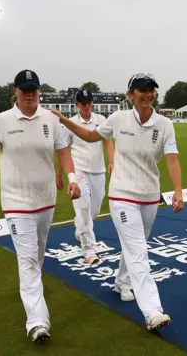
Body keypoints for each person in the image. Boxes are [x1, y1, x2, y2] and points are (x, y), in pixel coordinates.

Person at [50, 73, 184, 331]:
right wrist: (65, 121)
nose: (147, 94)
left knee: (136, 246)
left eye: (151, 90)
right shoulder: (118, 118)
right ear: (130, 94)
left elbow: (172, 159)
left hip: (149, 195)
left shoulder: (165, 124)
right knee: (138, 251)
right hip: (122, 194)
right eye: (141, 90)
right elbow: (91, 137)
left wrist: (178, 190)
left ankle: (122, 282)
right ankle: (152, 311)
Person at [0, 69, 80, 344]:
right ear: (15, 91)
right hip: (16, 201)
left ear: (39, 92)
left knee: (37, 255)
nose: (29, 95)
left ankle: (31, 289)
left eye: (33, 90)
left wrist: (72, 179)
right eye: (24, 90)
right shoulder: (2, 121)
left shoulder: (51, 119)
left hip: (45, 199)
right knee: (26, 259)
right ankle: (37, 321)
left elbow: (63, 152)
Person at [55, 89, 114, 265]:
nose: (87, 106)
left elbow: (108, 142)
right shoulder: (70, 123)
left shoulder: (101, 120)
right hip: (78, 170)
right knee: (84, 210)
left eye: (89, 103)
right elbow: (63, 151)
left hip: (98, 171)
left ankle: (79, 226)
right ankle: (89, 250)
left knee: (93, 212)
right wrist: (59, 175)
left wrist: (112, 161)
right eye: (83, 103)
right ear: (77, 105)